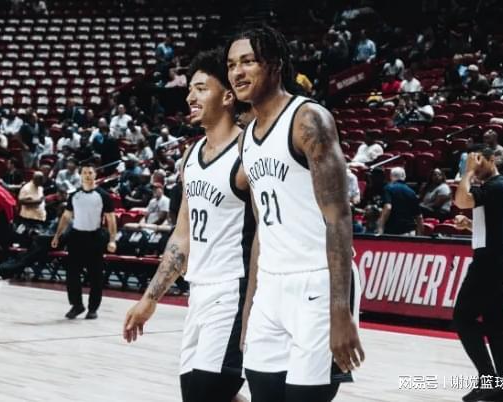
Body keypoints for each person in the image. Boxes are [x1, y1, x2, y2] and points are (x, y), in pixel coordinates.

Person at [227, 26, 363, 402]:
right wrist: (250, 308)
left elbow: (339, 217)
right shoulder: (246, 138)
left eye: (248, 61)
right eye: (231, 64)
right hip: (270, 286)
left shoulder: (308, 120)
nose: (237, 72)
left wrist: (340, 310)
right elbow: (262, 230)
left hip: (317, 282)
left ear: (275, 65)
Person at [123, 49, 254, 402]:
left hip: (235, 289)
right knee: (202, 395)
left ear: (227, 96)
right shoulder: (190, 158)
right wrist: (150, 299)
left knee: (206, 394)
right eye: (190, 89)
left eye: (200, 88)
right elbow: (182, 237)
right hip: (199, 290)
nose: (190, 97)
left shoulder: (249, 153)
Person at [453, 146, 503, 402]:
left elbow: (461, 201)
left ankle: (489, 379)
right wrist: (471, 225)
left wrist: (467, 173)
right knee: (496, 325)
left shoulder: (497, 185)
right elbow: (495, 228)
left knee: (462, 318)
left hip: (490, 263)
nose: (475, 166)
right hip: (498, 260)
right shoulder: (497, 187)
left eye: (479, 161)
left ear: (492, 160)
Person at [51, 163, 117, 320]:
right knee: (72, 274)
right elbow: (66, 216)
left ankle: (93, 308)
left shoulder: (103, 196)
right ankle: (77, 305)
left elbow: (111, 219)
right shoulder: (74, 195)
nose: (87, 175)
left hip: (95, 237)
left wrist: (112, 240)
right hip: (76, 237)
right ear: (80, 175)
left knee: (95, 275)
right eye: (85, 173)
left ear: (95, 175)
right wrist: (57, 235)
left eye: (90, 173)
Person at [377, 167, 424, 235]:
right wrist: (420, 236)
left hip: (393, 232)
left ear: (391, 176)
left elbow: (388, 207)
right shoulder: (412, 192)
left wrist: (380, 225)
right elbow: (419, 217)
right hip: (409, 232)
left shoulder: (388, 188)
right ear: (404, 177)